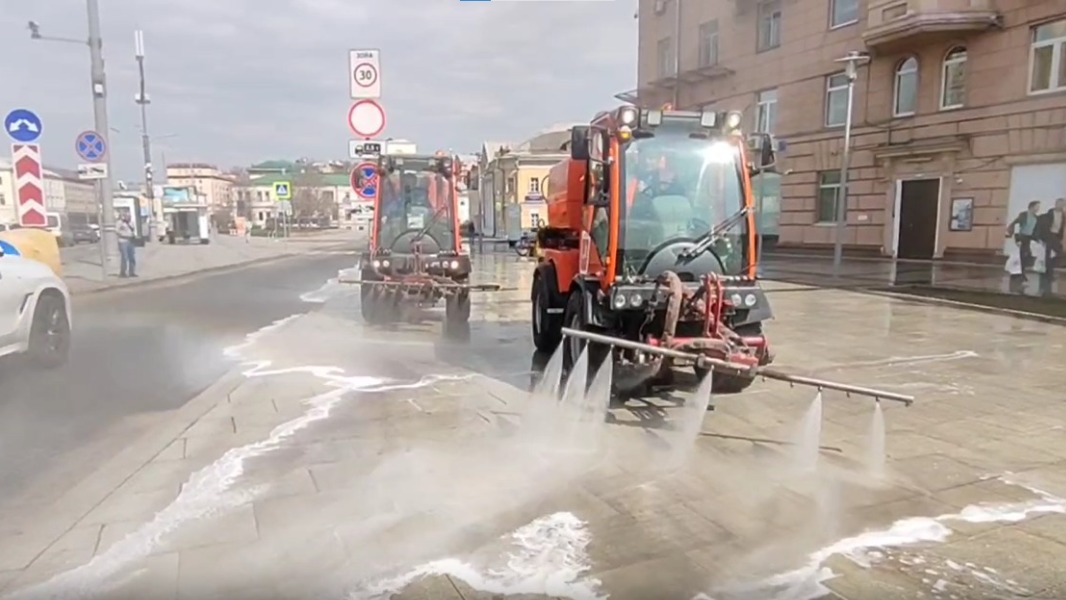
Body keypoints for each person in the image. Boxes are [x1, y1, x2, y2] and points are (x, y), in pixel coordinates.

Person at [1005, 200, 1041, 277]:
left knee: (1026, 255)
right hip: (1021, 236)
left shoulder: (1036, 218)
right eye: (1037, 207)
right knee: (1022, 255)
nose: (1038, 209)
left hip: (1028, 238)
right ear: (1032, 207)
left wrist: (1038, 239)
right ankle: (1019, 273)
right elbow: (1016, 225)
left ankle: (1021, 272)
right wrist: (1017, 239)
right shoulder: (1023, 215)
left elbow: (1034, 230)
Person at [1036, 197, 1064, 295]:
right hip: (1049, 236)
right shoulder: (1049, 214)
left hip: (1056, 237)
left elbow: (1061, 227)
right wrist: (1043, 237)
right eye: (1059, 204)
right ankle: (1047, 275)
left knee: (1058, 254)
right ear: (1056, 204)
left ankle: (1049, 272)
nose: (1061, 206)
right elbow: (1044, 226)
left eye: (1063, 204)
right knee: (1048, 256)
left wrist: (1060, 237)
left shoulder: (1063, 215)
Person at [116, 213, 137, 278]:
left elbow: (133, 230)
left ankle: (132, 272)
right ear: (124, 216)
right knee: (124, 257)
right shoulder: (120, 222)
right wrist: (123, 234)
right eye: (127, 216)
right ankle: (123, 273)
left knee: (132, 257)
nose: (129, 217)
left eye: (129, 216)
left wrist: (132, 235)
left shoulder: (131, 222)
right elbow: (116, 231)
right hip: (123, 241)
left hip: (130, 241)